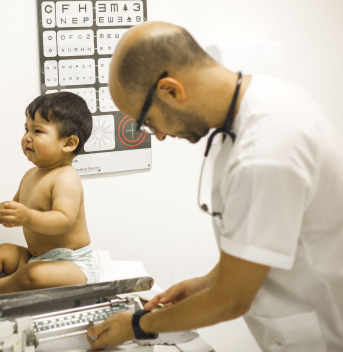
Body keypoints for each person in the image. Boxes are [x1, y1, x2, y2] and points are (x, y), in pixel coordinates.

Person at [87, 22, 343, 351]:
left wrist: (137, 325)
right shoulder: (267, 96)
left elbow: (230, 300)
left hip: (323, 335)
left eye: (148, 122)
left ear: (171, 90)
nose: (160, 136)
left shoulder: (265, 153)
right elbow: (263, 236)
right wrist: (206, 282)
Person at [0, 92, 99, 300]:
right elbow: (10, 208)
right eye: (26, 129)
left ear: (69, 143)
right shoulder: (31, 175)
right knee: (4, 251)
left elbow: (63, 221)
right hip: (37, 257)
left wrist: (28, 217)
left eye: (37, 131)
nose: (27, 137)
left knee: (34, 274)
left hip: (72, 264)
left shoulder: (66, 178)